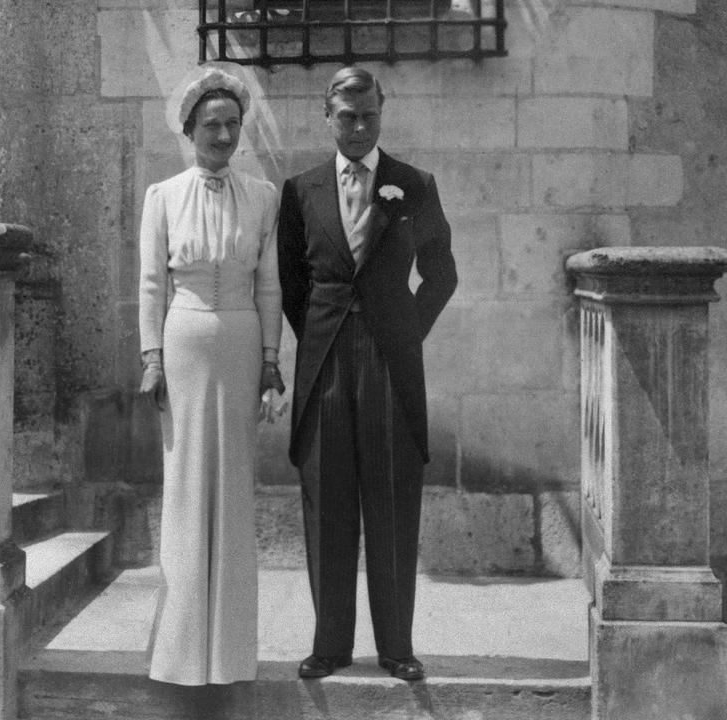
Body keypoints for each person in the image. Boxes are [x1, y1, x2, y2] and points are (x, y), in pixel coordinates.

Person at [277, 66, 457, 682]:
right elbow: (292, 285)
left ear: (383, 112)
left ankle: (397, 647)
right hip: (324, 360)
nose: (357, 127)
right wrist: (322, 338)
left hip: (389, 363)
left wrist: (403, 333)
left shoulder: (415, 185)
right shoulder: (299, 191)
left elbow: (442, 274)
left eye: (368, 116)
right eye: (346, 116)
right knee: (326, 496)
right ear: (326, 117)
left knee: (390, 496)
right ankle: (330, 645)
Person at [137, 67, 285, 686]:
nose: (222, 135)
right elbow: (150, 282)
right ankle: (179, 653)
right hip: (185, 342)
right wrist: (150, 358)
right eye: (211, 125)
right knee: (186, 483)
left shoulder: (263, 196)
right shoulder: (162, 196)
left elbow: (269, 281)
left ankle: (227, 655)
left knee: (232, 486)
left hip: (243, 342)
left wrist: (273, 359)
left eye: (231, 124)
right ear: (190, 129)